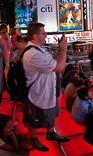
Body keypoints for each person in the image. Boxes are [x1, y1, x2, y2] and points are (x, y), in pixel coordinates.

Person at [21, 22, 70, 151]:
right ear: (35, 36)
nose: (46, 35)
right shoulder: (33, 53)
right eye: (43, 33)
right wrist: (64, 49)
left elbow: (52, 62)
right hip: (36, 94)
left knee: (49, 114)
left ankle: (50, 133)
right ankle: (33, 139)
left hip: (45, 92)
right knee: (35, 119)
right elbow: (58, 67)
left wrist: (60, 51)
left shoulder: (39, 50)